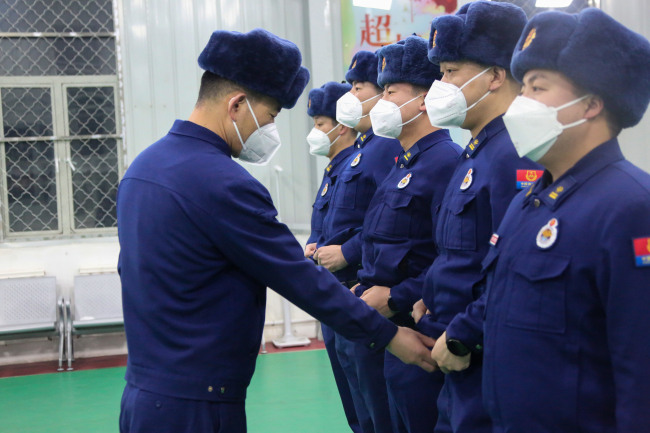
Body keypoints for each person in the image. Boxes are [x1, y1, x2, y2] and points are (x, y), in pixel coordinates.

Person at [117, 28, 437, 433]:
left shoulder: (144, 168)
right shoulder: (221, 182)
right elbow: (299, 278)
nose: (267, 131)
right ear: (237, 104)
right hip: (196, 406)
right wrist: (388, 335)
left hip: (144, 394)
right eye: (269, 117)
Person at [482, 8, 650, 433]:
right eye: (523, 87)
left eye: (538, 87)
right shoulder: (528, 202)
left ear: (591, 104)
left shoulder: (631, 206)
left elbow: (640, 368)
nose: (521, 103)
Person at [412, 2, 540, 432]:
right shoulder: (476, 152)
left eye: (451, 72)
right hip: (453, 348)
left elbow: (515, 267)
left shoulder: (514, 153)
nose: (440, 86)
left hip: (481, 353)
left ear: (496, 76)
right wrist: (430, 295)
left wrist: (466, 333)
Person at [358, 35, 462, 433]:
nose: (380, 102)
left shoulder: (445, 162)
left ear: (423, 100)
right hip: (390, 328)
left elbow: (451, 255)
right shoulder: (404, 162)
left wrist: (397, 296)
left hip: (419, 328)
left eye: (390, 92)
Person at [315, 49, 404, 433]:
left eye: (359, 87)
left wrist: (348, 251)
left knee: (377, 403)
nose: (350, 95)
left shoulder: (385, 146)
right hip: (342, 286)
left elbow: (387, 219)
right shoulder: (364, 148)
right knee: (359, 403)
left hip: (363, 282)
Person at [304, 81, 360, 432]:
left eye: (320, 124)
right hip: (332, 291)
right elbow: (326, 225)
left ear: (340, 127)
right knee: (352, 396)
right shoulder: (333, 171)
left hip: (353, 288)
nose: (314, 133)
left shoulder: (361, 165)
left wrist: (346, 252)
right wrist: (313, 244)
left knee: (370, 402)